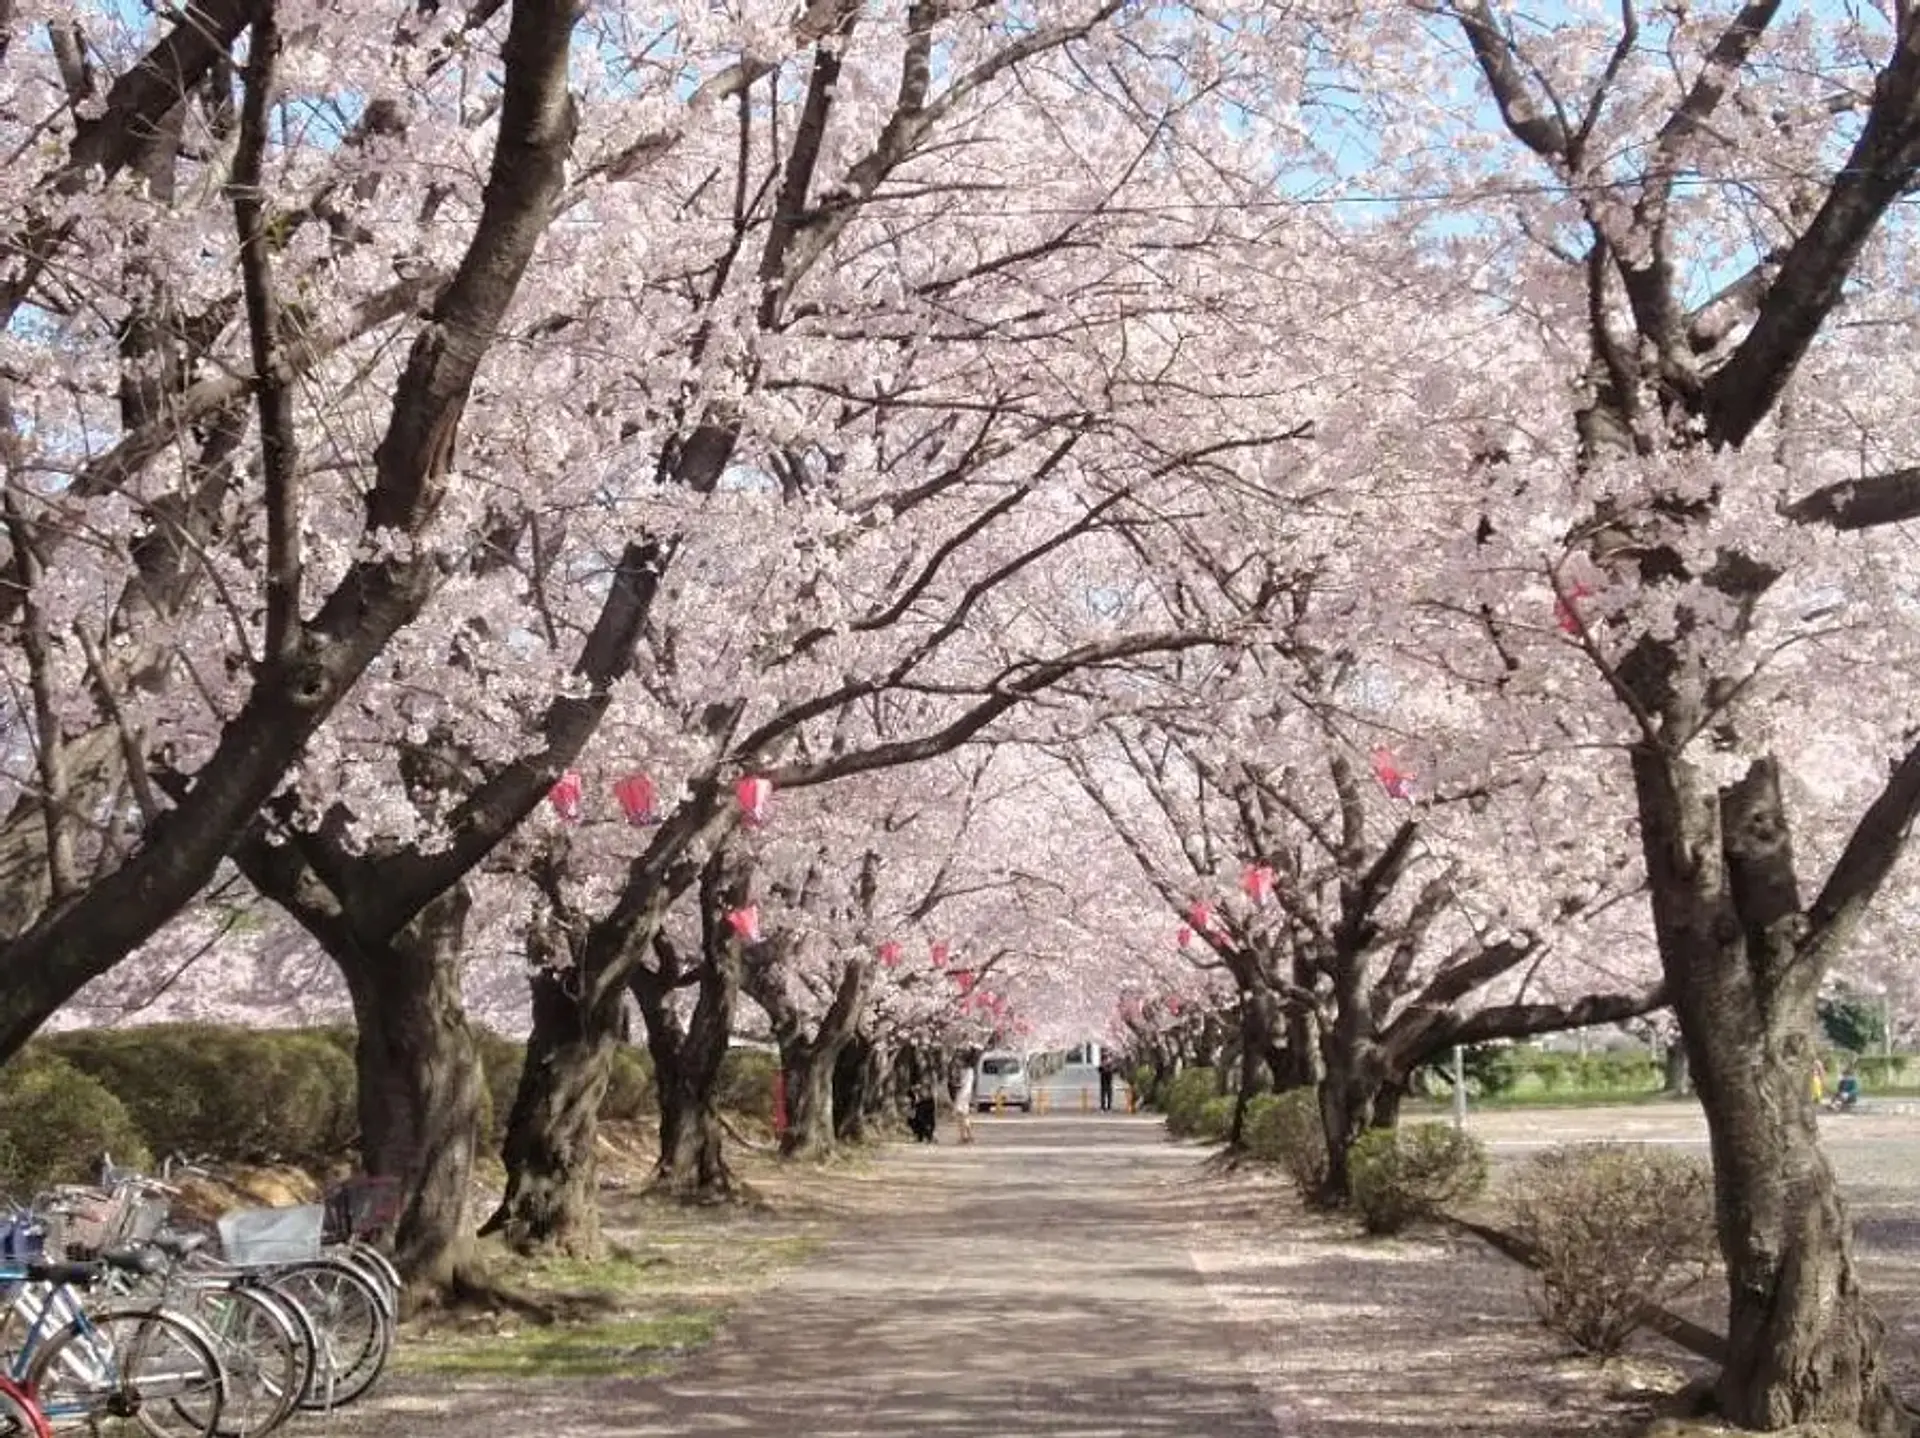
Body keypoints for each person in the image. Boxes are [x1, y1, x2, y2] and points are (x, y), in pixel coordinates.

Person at [952, 1059, 976, 1144]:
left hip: (962, 1095)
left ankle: (964, 1136)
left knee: (960, 1116)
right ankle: (968, 1136)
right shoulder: (971, 1071)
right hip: (966, 1095)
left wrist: (955, 1083)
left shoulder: (965, 1072)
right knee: (965, 1116)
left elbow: (960, 1084)